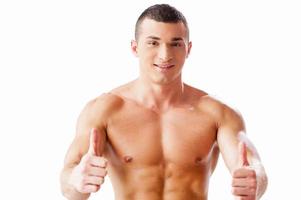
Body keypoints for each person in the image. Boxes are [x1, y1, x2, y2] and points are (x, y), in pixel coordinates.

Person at [60, 4, 268, 200]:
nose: (165, 55)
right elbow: (69, 183)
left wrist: (255, 180)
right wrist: (77, 181)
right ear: (135, 48)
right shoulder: (103, 110)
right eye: (153, 42)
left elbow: (252, 166)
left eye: (176, 43)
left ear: (188, 49)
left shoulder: (218, 113)